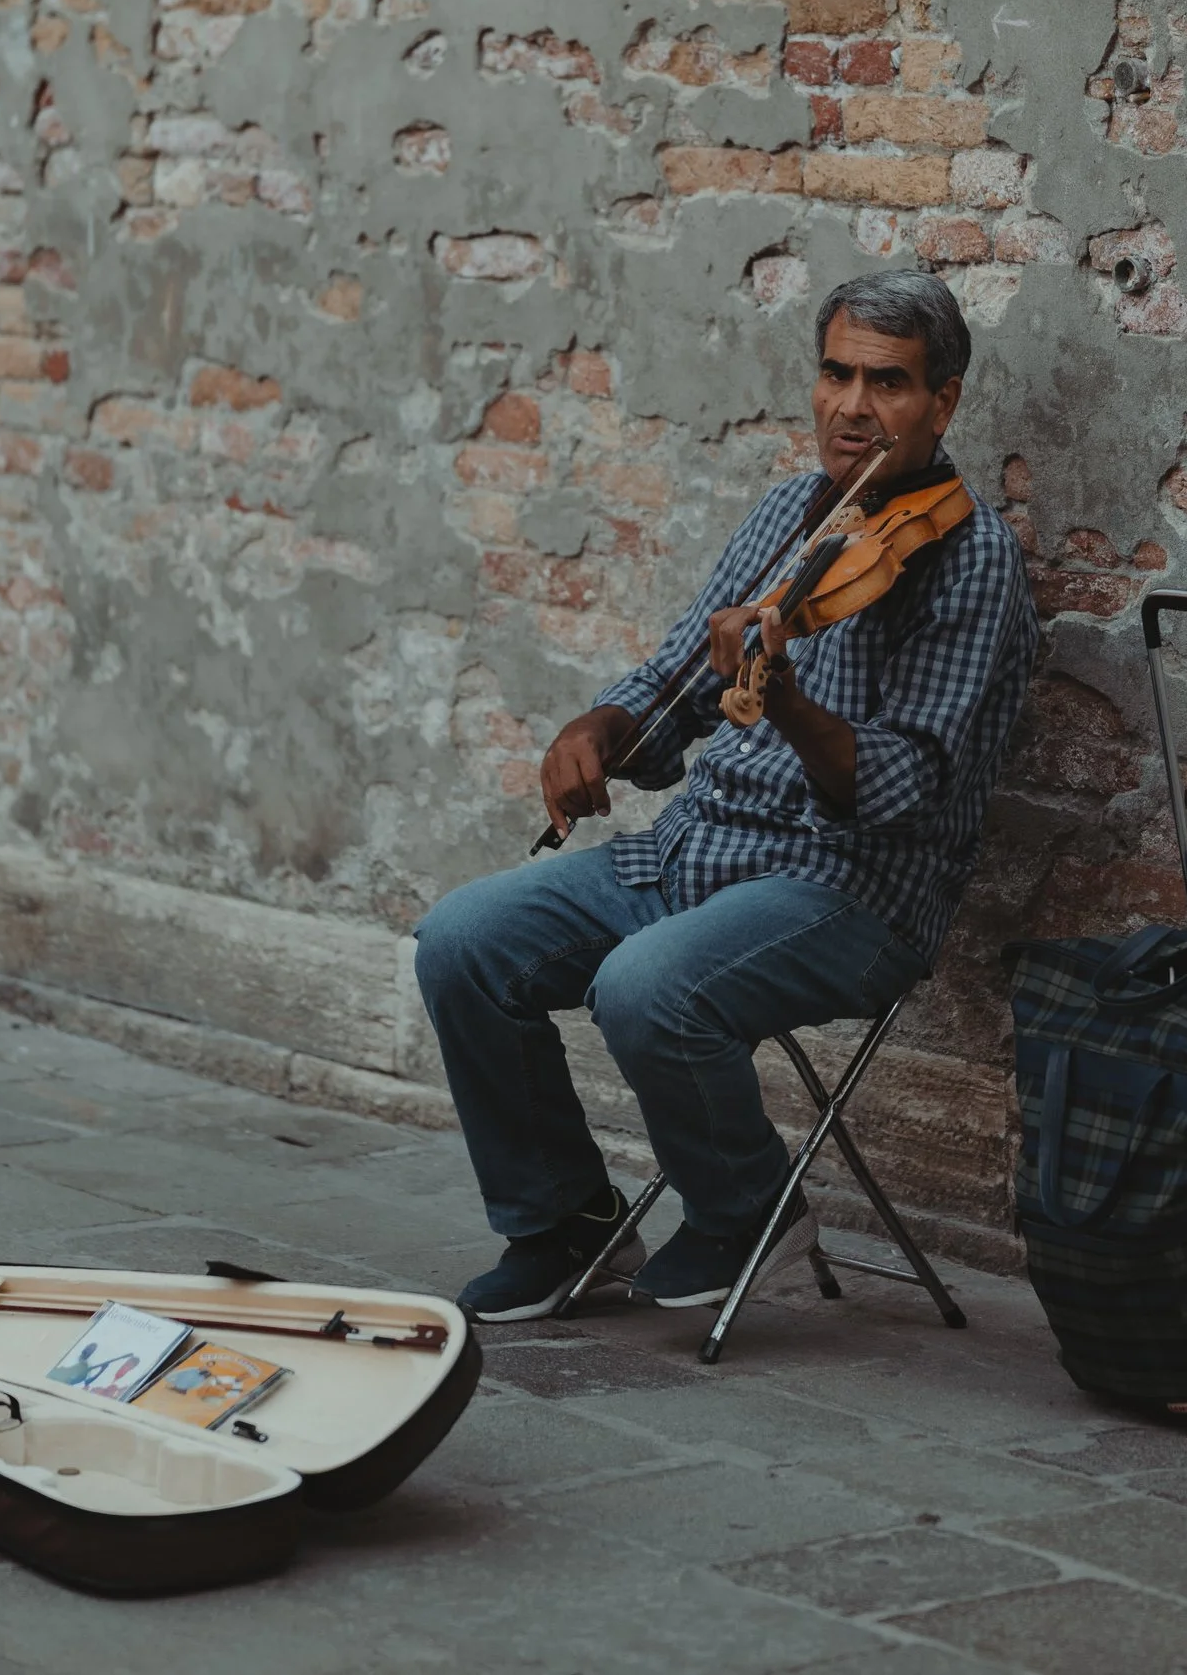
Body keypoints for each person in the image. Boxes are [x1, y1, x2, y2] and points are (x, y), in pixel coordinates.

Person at [414, 271, 1040, 1320]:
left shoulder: (970, 564)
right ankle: (561, 1220)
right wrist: (597, 732)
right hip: (697, 853)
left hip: (849, 891)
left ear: (944, 401)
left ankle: (747, 1208)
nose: (851, 405)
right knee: (463, 940)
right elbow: (675, 681)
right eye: (835, 373)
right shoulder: (786, 515)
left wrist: (786, 697)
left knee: (645, 981)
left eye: (886, 382)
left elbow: (902, 790)